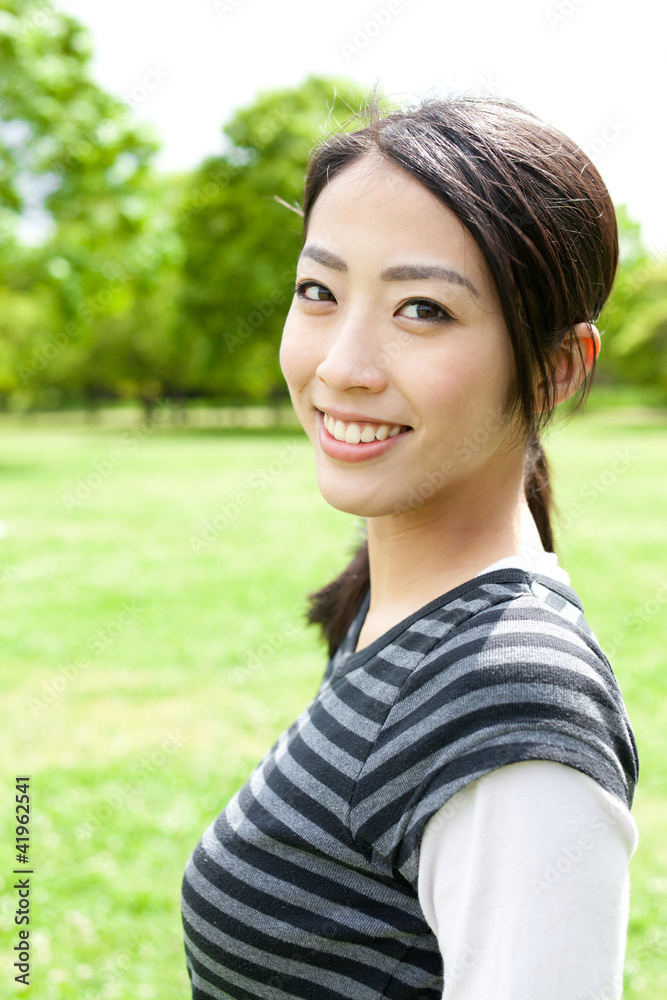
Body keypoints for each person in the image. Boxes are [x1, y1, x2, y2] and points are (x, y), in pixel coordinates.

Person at [181, 94, 639, 1000]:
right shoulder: (397, 615)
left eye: (422, 308)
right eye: (319, 291)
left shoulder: (507, 703)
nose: (341, 364)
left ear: (554, 368)